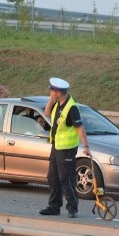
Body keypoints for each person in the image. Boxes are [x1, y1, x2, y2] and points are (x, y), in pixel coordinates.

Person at [39, 77, 90, 219]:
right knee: (52, 177)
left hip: (67, 148)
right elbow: (47, 114)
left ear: (59, 93)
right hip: (56, 146)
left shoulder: (71, 107)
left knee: (65, 178)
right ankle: (54, 206)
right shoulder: (58, 104)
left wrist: (85, 146)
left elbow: (80, 127)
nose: (51, 93)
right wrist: (51, 100)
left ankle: (73, 207)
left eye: (52, 91)